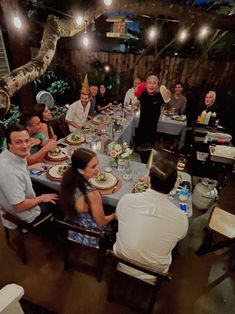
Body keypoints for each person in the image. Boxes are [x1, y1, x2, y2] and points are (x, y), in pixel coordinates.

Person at [113, 158, 188, 283]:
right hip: (154, 273)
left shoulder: (127, 199)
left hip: (122, 261)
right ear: (174, 186)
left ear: (149, 180)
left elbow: (119, 217)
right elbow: (180, 237)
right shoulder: (182, 218)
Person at [0, 125, 58, 229]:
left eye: (27, 141)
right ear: (9, 144)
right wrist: (42, 198)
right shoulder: (10, 173)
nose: (25, 146)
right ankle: (53, 231)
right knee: (61, 198)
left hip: (20, 199)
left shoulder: (5, 156)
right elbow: (19, 207)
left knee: (47, 186)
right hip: (26, 215)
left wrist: (28, 167)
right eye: (18, 142)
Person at [59, 148, 116, 247]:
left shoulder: (68, 177)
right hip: (89, 235)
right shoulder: (92, 194)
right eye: (93, 166)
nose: (98, 169)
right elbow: (101, 221)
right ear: (81, 170)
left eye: (97, 163)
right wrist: (114, 216)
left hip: (71, 226)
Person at [135, 75, 167, 147]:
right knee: (139, 147)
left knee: (149, 150)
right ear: (146, 85)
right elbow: (136, 93)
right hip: (142, 127)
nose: (151, 85)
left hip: (152, 129)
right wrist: (137, 88)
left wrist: (167, 94)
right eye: (149, 83)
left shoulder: (160, 96)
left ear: (157, 85)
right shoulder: (143, 94)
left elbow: (167, 100)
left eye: (154, 83)